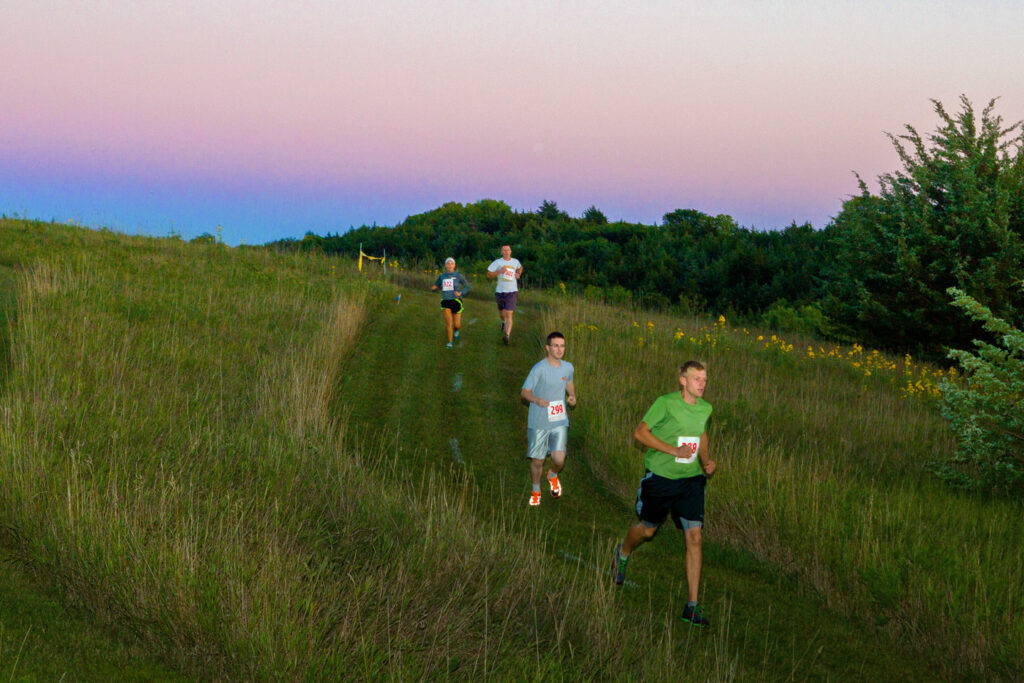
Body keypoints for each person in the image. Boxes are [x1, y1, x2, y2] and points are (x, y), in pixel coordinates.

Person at [611, 360, 716, 628]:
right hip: (661, 478)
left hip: (691, 480)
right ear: (683, 380)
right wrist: (673, 451)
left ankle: (691, 607)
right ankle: (622, 553)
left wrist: (705, 460)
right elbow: (640, 434)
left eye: (704, 379)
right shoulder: (665, 403)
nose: (702, 383)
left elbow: (701, 434)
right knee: (647, 530)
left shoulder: (705, 408)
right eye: (697, 379)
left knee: (694, 536)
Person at [520, 331, 577, 506]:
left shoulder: (568, 367)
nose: (560, 349)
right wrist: (536, 400)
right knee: (538, 460)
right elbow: (524, 393)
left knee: (559, 459)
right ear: (548, 348)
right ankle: (536, 490)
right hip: (539, 421)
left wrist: (572, 395)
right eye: (556, 346)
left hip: (559, 419)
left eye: (562, 346)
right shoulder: (539, 369)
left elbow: (568, 381)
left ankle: (552, 475)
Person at [486, 244, 523, 345]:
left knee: (509, 314)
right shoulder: (498, 262)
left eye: (508, 250)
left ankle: (507, 336)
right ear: (501, 252)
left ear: (511, 251)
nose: (506, 252)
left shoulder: (515, 262)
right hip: (500, 291)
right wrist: (500, 271)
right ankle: (503, 323)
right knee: (502, 315)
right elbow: (489, 274)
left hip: (512, 291)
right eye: (504, 250)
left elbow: (520, 268)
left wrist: (518, 274)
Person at [430, 257, 470, 349]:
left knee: (457, 325)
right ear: (445, 265)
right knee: (449, 323)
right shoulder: (442, 276)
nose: (450, 265)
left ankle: (456, 331)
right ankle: (449, 342)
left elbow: (467, 287)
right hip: (445, 301)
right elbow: (436, 285)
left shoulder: (459, 276)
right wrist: (434, 288)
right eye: (448, 263)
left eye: (451, 263)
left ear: (454, 265)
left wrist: (461, 292)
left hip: (456, 301)